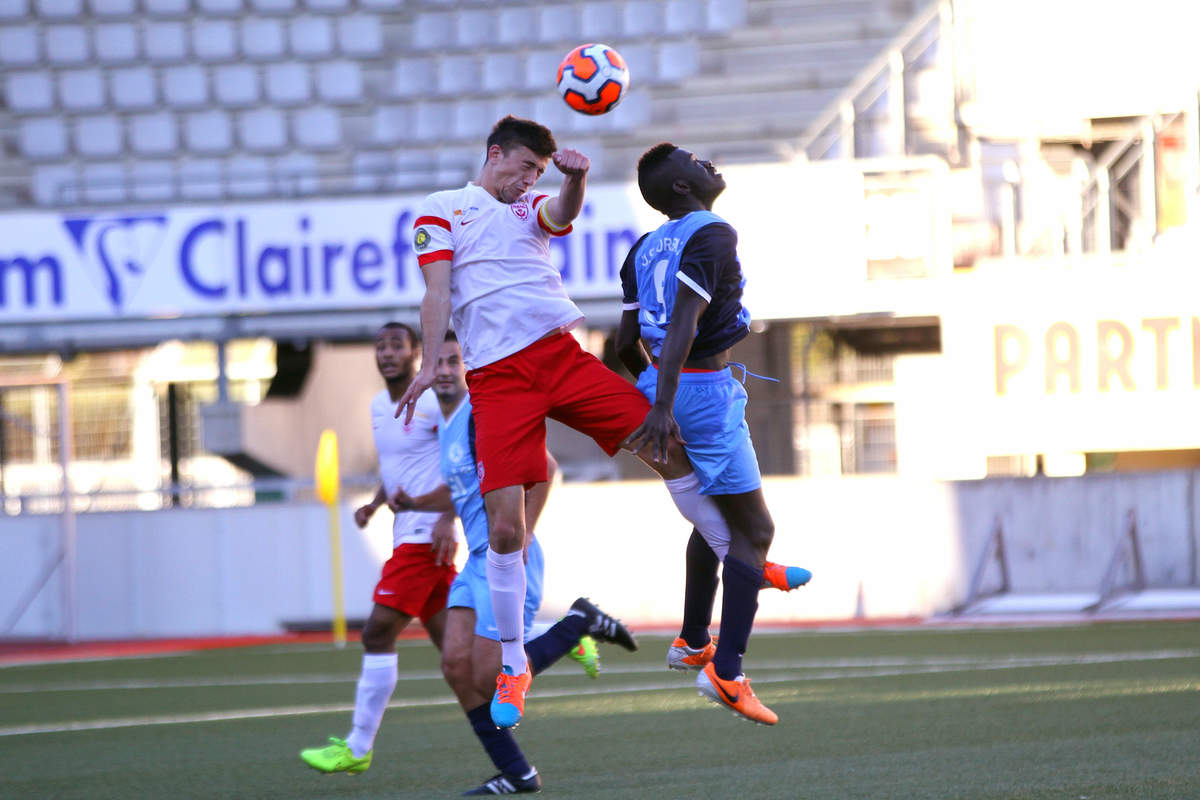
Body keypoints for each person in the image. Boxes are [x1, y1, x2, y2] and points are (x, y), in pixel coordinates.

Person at [397, 115, 748, 729]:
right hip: (498, 380)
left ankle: (745, 558)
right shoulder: (443, 208)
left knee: (663, 441)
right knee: (507, 531)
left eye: (538, 171)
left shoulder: (529, 205)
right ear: (494, 153)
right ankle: (514, 666)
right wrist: (429, 363)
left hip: (560, 356)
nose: (530, 179)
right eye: (524, 167)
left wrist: (574, 181)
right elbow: (436, 292)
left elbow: (560, 213)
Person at [392, 332, 638, 795]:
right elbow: (463, 486)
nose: (444, 369)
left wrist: (523, 532)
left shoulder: (481, 411)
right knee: (454, 667)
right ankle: (517, 773)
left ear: (467, 365)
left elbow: (546, 469)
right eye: (436, 361)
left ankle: (578, 624)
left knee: (488, 675)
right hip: (475, 559)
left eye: (453, 360)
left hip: (505, 557)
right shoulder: (448, 426)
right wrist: (417, 504)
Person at [615, 142, 809, 725]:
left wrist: (653, 394)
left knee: (718, 520)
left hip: (667, 386)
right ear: (680, 187)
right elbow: (684, 322)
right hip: (699, 390)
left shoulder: (641, 249)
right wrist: (669, 403)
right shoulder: (712, 233)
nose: (709, 163)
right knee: (756, 531)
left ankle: (694, 637)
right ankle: (726, 672)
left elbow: (627, 344)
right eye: (696, 161)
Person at [299, 322, 459, 774]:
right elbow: (398, 465)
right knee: (459, 653)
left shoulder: (433, 402)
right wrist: (373, 503)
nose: (387, 354)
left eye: (397, 346)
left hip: (424, 541)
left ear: (414, 353)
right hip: (404, 530)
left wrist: (449, 518)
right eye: (380, 347)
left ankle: (357, 746)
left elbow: (459, 461)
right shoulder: (376, 406)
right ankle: (567, 635)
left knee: (376, 633)